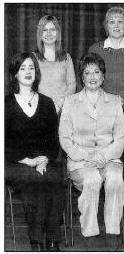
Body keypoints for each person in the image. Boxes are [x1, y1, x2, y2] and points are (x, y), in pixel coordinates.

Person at [59, 52, 124, 251]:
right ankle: (90, 232)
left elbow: (121, 136)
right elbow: (65, 138)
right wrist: (87, 156)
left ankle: (113, 230)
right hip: (80, 161)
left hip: (109, 158)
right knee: (92, 179)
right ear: (81, 77)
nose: (92, 77)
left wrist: (104, 156)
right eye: (87, 73)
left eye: (96, 72)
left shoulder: (115, 101)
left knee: (115, 177)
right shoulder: (70, 102)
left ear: (103, 76)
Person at [5, 52, 64, 251]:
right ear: (14, 74)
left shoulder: (47, 103)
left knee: (54, 178)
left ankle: (54, 239)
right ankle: (36, 240)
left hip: (44, 159)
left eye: (31, 68)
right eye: (23, 68)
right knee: (35, 182)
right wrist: (27, 161)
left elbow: (54, 139)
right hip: (15, 162)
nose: (28, 72)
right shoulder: (4, 104)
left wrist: (44, 159)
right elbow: (3, 144)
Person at [88, 6, 124, 110]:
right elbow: (88, 78)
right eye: (112, 22)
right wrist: (106, 100)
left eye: (120, 21)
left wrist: (122, 99)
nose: (116, 25)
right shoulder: (95, 50)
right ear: (106, 26)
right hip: (101, 107)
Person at [34, 15, 76, 114]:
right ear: (40, 34)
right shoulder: (33, 58)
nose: (49, 33)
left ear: (57, 33)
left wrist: (60, 104)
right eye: (45, 30)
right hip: (39, 110)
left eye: (52, 29)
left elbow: (72, 84)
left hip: (63, 110)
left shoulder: (66, 57)